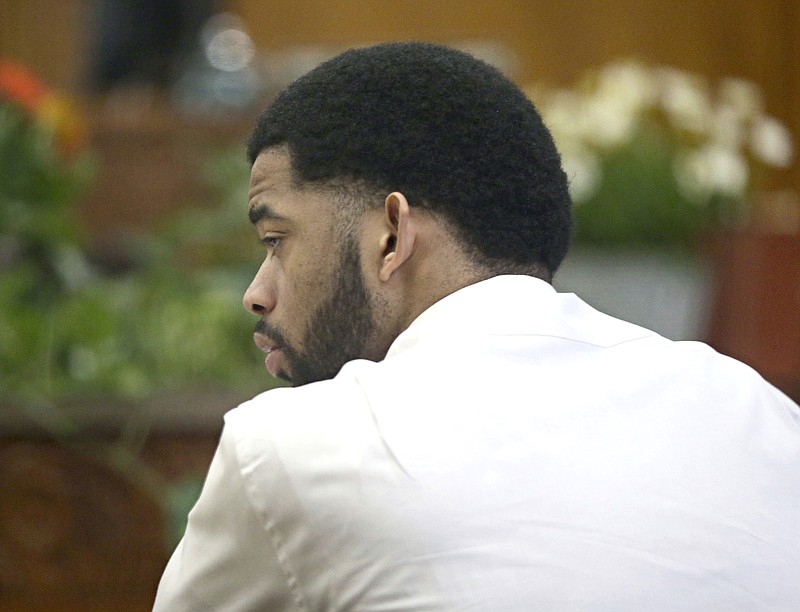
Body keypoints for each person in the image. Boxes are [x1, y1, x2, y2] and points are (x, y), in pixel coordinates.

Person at [153, 42, 800, 610]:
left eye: (276, 239)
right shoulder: (758, 412)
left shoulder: (288, 447)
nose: (256, 294)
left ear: (390, 234)